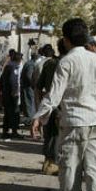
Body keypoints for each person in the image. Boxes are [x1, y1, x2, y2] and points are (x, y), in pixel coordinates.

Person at [30, 19, 96, 191]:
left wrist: (38, 117)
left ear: (65, 40)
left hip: (74, 122)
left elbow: (54, 95)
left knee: (70, 168)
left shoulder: (66, 62)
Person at [35, 43, 62, 175]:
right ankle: (53, 164)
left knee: (49, 134)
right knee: (56, 136)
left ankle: (48, 162)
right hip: (61, 105)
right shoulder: (65, 64)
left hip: (48, 103)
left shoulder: (49, 64)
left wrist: (41, 105)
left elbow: (38, 87)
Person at [0, 51, 22, 140]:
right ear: (19, 60)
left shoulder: (7, 67)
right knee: (14, 113)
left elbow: (1, 80)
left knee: (7, 114)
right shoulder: (14, 67)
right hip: (12, 94)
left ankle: (5, 132)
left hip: (6, 93)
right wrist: (14, 91)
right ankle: (14, 132)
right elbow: (13, 80)